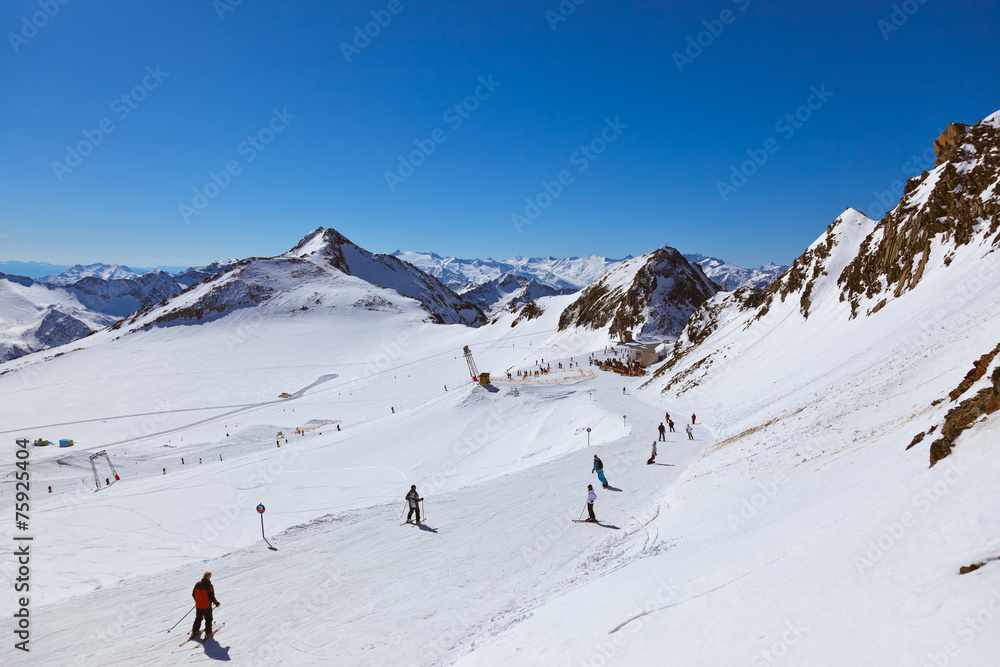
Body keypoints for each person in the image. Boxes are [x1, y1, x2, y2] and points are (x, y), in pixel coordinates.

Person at [191, 571, 221, 639]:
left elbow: (193, 594)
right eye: (210, 576)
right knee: (208, 619)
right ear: (208, 577)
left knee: (198, 618)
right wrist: (216, 603)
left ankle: (194, 631)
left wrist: (198, 601)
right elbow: (212, 597)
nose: (210, 577)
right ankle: (208, 633)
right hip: (206, 606)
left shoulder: (197, 584)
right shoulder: (209, 586)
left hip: (198, 605)